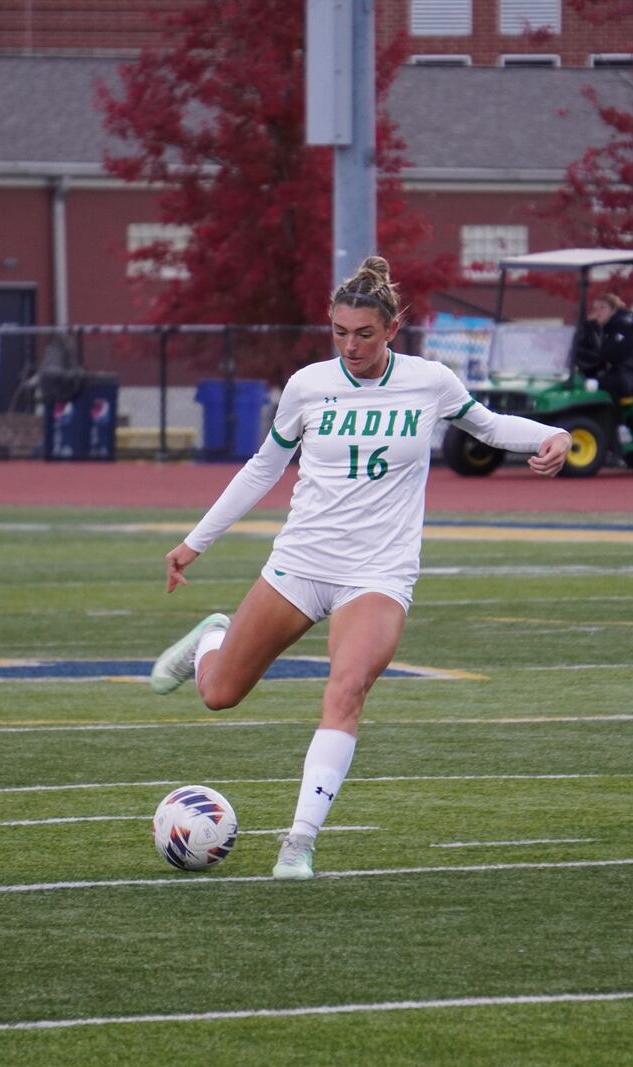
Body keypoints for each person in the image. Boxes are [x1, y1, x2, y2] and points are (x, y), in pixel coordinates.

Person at [148, 255, 573, 880]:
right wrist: (195, 542)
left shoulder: (430, 381)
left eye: (365, 334)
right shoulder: (307, 385)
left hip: (378, 572)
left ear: (392, 329)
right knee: (219, 695)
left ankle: (298, 842)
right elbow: (264, 467)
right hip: (302, 561)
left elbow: (487, 426)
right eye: (341, 333)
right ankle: (212, 638)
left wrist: (550, 434)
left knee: (345, 690)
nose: (351, 345)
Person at [571, 293, 633, 402]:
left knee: (591, 385)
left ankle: (613, 419)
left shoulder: (624, 328)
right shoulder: (608, 330)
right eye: (596, 308)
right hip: (619, 374)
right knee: (583, 381)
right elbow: (598, 354)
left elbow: (608, 354)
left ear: (614, 310)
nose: (598, 312)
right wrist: (589, 326)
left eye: (602, 307)